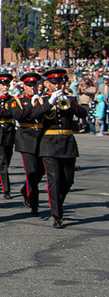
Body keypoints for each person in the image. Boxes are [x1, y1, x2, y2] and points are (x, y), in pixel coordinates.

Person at [34, 68, 87, 228]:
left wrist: (70, 104)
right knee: (54, 180)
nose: (58, 86)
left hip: (68, 142)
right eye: (54, 83)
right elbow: (35, 114)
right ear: (47, 84)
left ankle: (58, 202)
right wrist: (50, 101)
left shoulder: (70, 98)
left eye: (60, 83)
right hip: (49, 143)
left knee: (68, 180)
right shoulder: (42, 99)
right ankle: (57, 214)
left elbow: (83, 113)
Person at [9, 72, 44, 215]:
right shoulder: (17, 101)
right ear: (24, 86)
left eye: (34, 85)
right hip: (26, 138)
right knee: (31, 171)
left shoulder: (43, 99)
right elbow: (19, 115)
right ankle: (33, 204)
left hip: (42, 137)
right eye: (29, 86)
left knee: (41, 171)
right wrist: (33, 104)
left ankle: (25, 189)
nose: (32, 88)